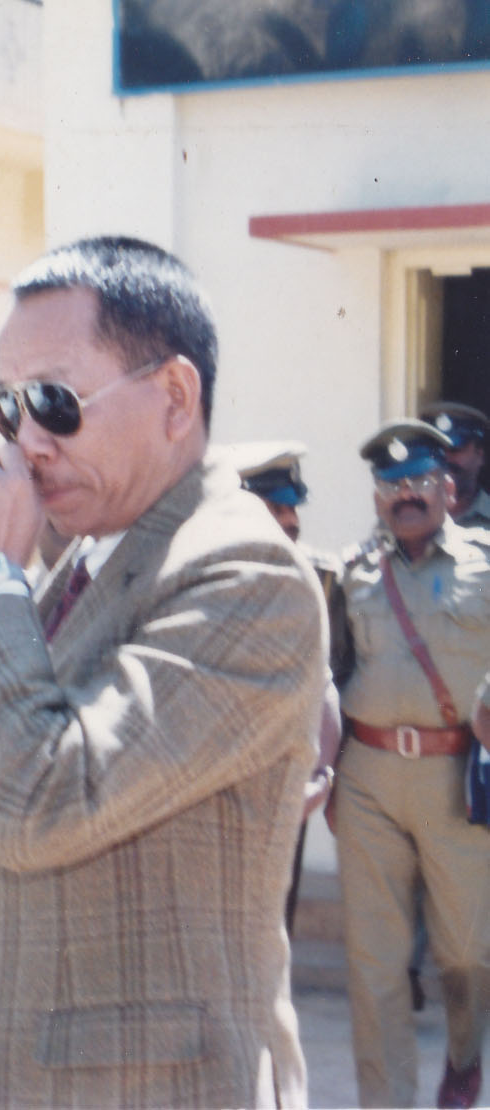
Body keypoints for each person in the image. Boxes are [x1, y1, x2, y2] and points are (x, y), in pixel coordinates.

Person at [0, 236, 324, 1106]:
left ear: (173, 396)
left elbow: (46, 802)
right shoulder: (91, 556)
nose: (26, 442)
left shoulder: (242, 574)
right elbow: (101, 827)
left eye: (55, 403)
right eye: (8, 408)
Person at [331, 419, 490, 1110]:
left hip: (456, 781)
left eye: (420, 480)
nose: (407, 495)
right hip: (368, 778)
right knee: (374, 965)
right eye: (392, 485)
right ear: (377, 497)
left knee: (467, 952)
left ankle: (464, 1053)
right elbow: (330, 670)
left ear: (447, 488)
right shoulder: (352, 571)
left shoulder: (485, 563)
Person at [232, 442, 342, 934]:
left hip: (286, 786)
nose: (290, 520)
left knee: (276, 929)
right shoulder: (204, 579)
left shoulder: (314, 580)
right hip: (219, 788)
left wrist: (321, 776)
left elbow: (327, 682)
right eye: (276, 508)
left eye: (292, 508)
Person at [420, 400, 490, 527]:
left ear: (480, 455)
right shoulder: (405, 519)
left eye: (455, 450)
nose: (445, 458)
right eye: (436, 450)